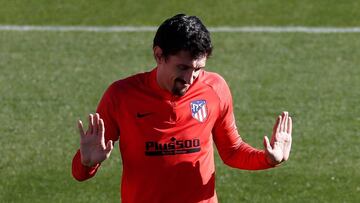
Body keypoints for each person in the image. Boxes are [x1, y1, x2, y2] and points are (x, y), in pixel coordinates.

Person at [71, 14, 293, 203]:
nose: (190, 78)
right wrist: (87, 163)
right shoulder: (121, 96)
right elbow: (80, 173)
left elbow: (232, 151)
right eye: (183, 67)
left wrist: (267, 159)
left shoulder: (214, 88)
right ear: (159, 55)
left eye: (198, 69)